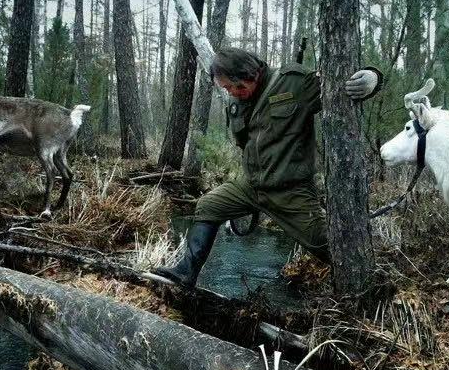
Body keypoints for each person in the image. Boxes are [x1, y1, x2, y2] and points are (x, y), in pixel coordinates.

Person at [153, 47, 383, 288]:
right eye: (226, 89)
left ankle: (365, 285)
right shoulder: (236, 103)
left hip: (290, 191)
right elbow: (247, 144)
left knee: (324, 243)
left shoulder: (293, 83)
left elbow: (340, 84)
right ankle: (185, 273)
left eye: (234, 86)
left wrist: (371, 78)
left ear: (250, 74)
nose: (231, 93)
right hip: (251, 185)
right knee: (209, 205)